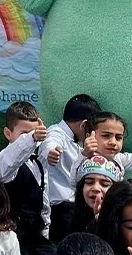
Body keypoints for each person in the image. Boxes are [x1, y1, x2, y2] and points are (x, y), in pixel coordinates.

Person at [0, 102, 56, 255]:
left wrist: (44, 231)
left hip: (34, 235)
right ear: (8, 133)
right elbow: (6, 165)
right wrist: (30, 140)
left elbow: (43, 201)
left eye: (34, 133)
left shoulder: (38, 164)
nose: (32, 138)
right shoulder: (4, 162)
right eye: (24, 134)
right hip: (12, 238)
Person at [38, 94, 102, 240]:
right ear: (84, 124)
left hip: (73, 207)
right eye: (92, 128)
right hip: (60, 211)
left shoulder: (76, 141)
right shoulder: (55, 133)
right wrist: (51, 152)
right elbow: (51, 142)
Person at [70, 156, 122, 234]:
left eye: (104, 184)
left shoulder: (123, 220)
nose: (96, 188)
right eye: (89, 182)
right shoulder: (69, 216)